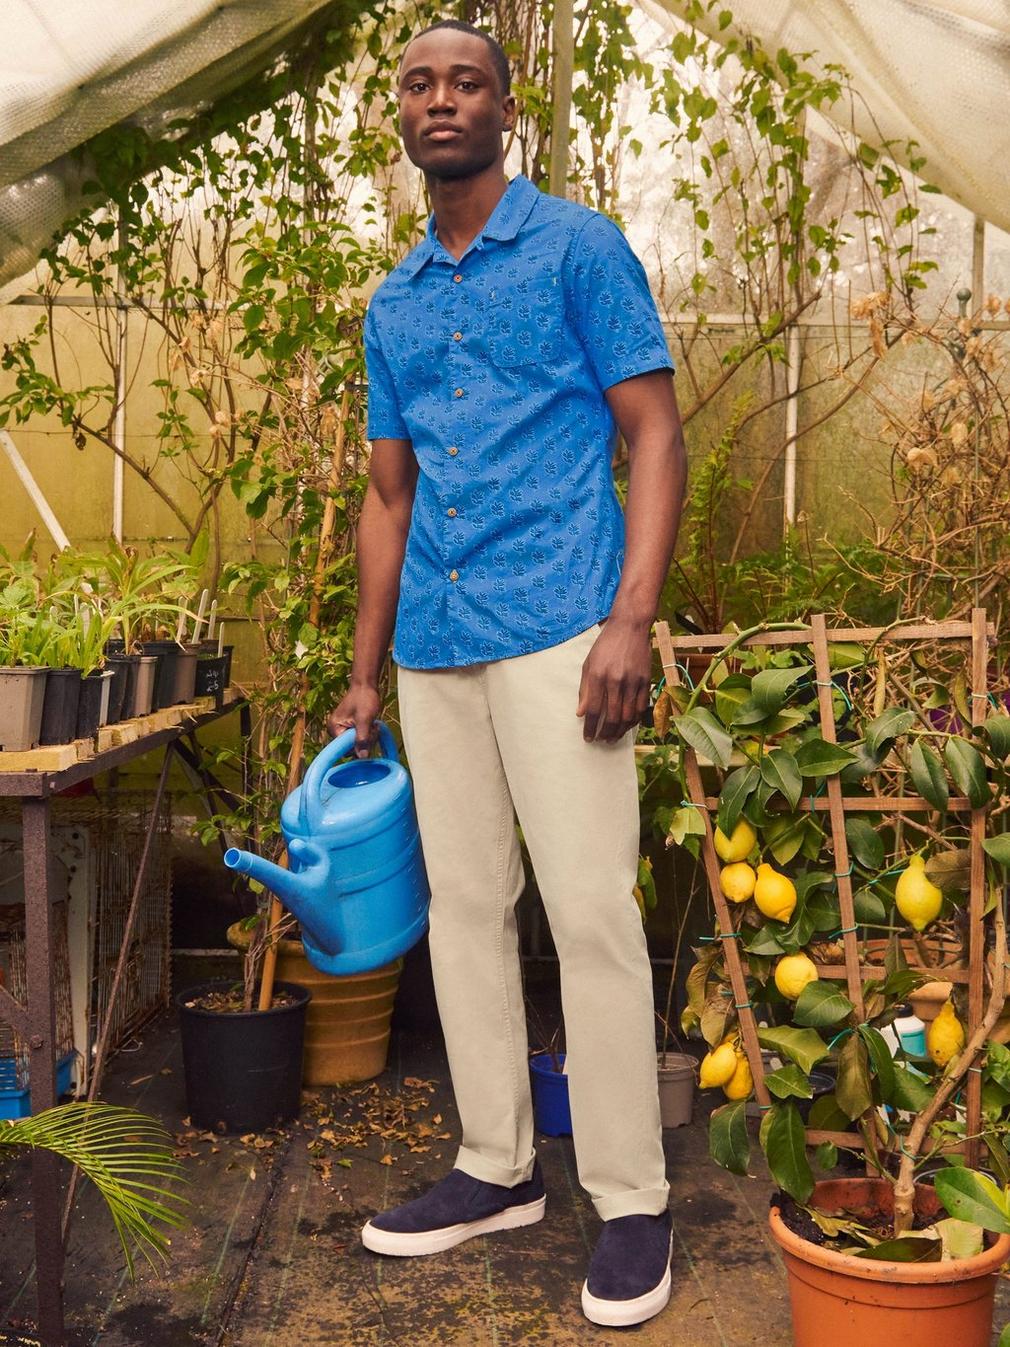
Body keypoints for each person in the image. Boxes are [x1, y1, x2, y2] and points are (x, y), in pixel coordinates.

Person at [326, 17, 686, 1329]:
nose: (440, 100)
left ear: (503, 105)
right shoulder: (397, 299)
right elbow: (386, 495)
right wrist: (363, 674)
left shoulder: (579, 250)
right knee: (466, 911)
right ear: (400, 113)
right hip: (434, 645)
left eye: (464, 80)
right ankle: (494, 1167)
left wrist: (629, 621)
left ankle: (630, 1198)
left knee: (590, 915)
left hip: (559, 631)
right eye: (418, 82)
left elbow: (653, 434)